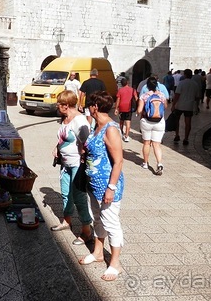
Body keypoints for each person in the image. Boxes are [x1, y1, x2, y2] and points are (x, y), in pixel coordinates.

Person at [79, 91, 124, 282]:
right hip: (93, 184)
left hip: (107, 186)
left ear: (95, 107)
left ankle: (115, 264)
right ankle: (98, 252)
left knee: (111, 222)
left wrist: (111, 188)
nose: (88, 108)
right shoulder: (97, 126)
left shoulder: (110, 129)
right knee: (97, 218)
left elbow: (119, 161)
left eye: (90, 105)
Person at [51, 91, 93, 246]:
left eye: (59, 104)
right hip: (65, 164)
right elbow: (63, 137)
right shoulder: (66, 118)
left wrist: (83, 155)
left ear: (66, 106)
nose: (57, 107)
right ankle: (66, 221)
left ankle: (87, 231)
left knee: (79, 197)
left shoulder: (80, 121)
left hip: (77, 164)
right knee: (65, 193)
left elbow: (87, 143)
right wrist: (57, 147)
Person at [137, 77, 167, 175]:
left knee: (146, 143)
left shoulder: (144, 96)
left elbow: (139, 110)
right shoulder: (161, 95)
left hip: (147, 121)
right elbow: (166, 106)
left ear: (147, 85)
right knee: (156, 144)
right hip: (159, 122)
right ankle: (159, 163)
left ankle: (145, 163)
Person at [171, 68, 199, 145]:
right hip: (189, 106)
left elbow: (177, 95)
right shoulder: (195, 84)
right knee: (188, 123)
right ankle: (186, 138)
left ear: (185, 75)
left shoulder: (181, 83)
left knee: (177, 120)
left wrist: (173, 105)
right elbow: (197, 97)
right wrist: (196, 106)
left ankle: (177, 135)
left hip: (180, 105)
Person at [114, 77, 136, 142]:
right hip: (129, 107)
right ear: (127, 83)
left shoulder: (120, 90)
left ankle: (121, 133)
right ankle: (126, 136)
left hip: (121, 107)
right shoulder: (132, 90)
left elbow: (118, 99)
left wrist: (116, 108)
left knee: (121, 121)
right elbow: (136, 98)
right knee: (128, 122)